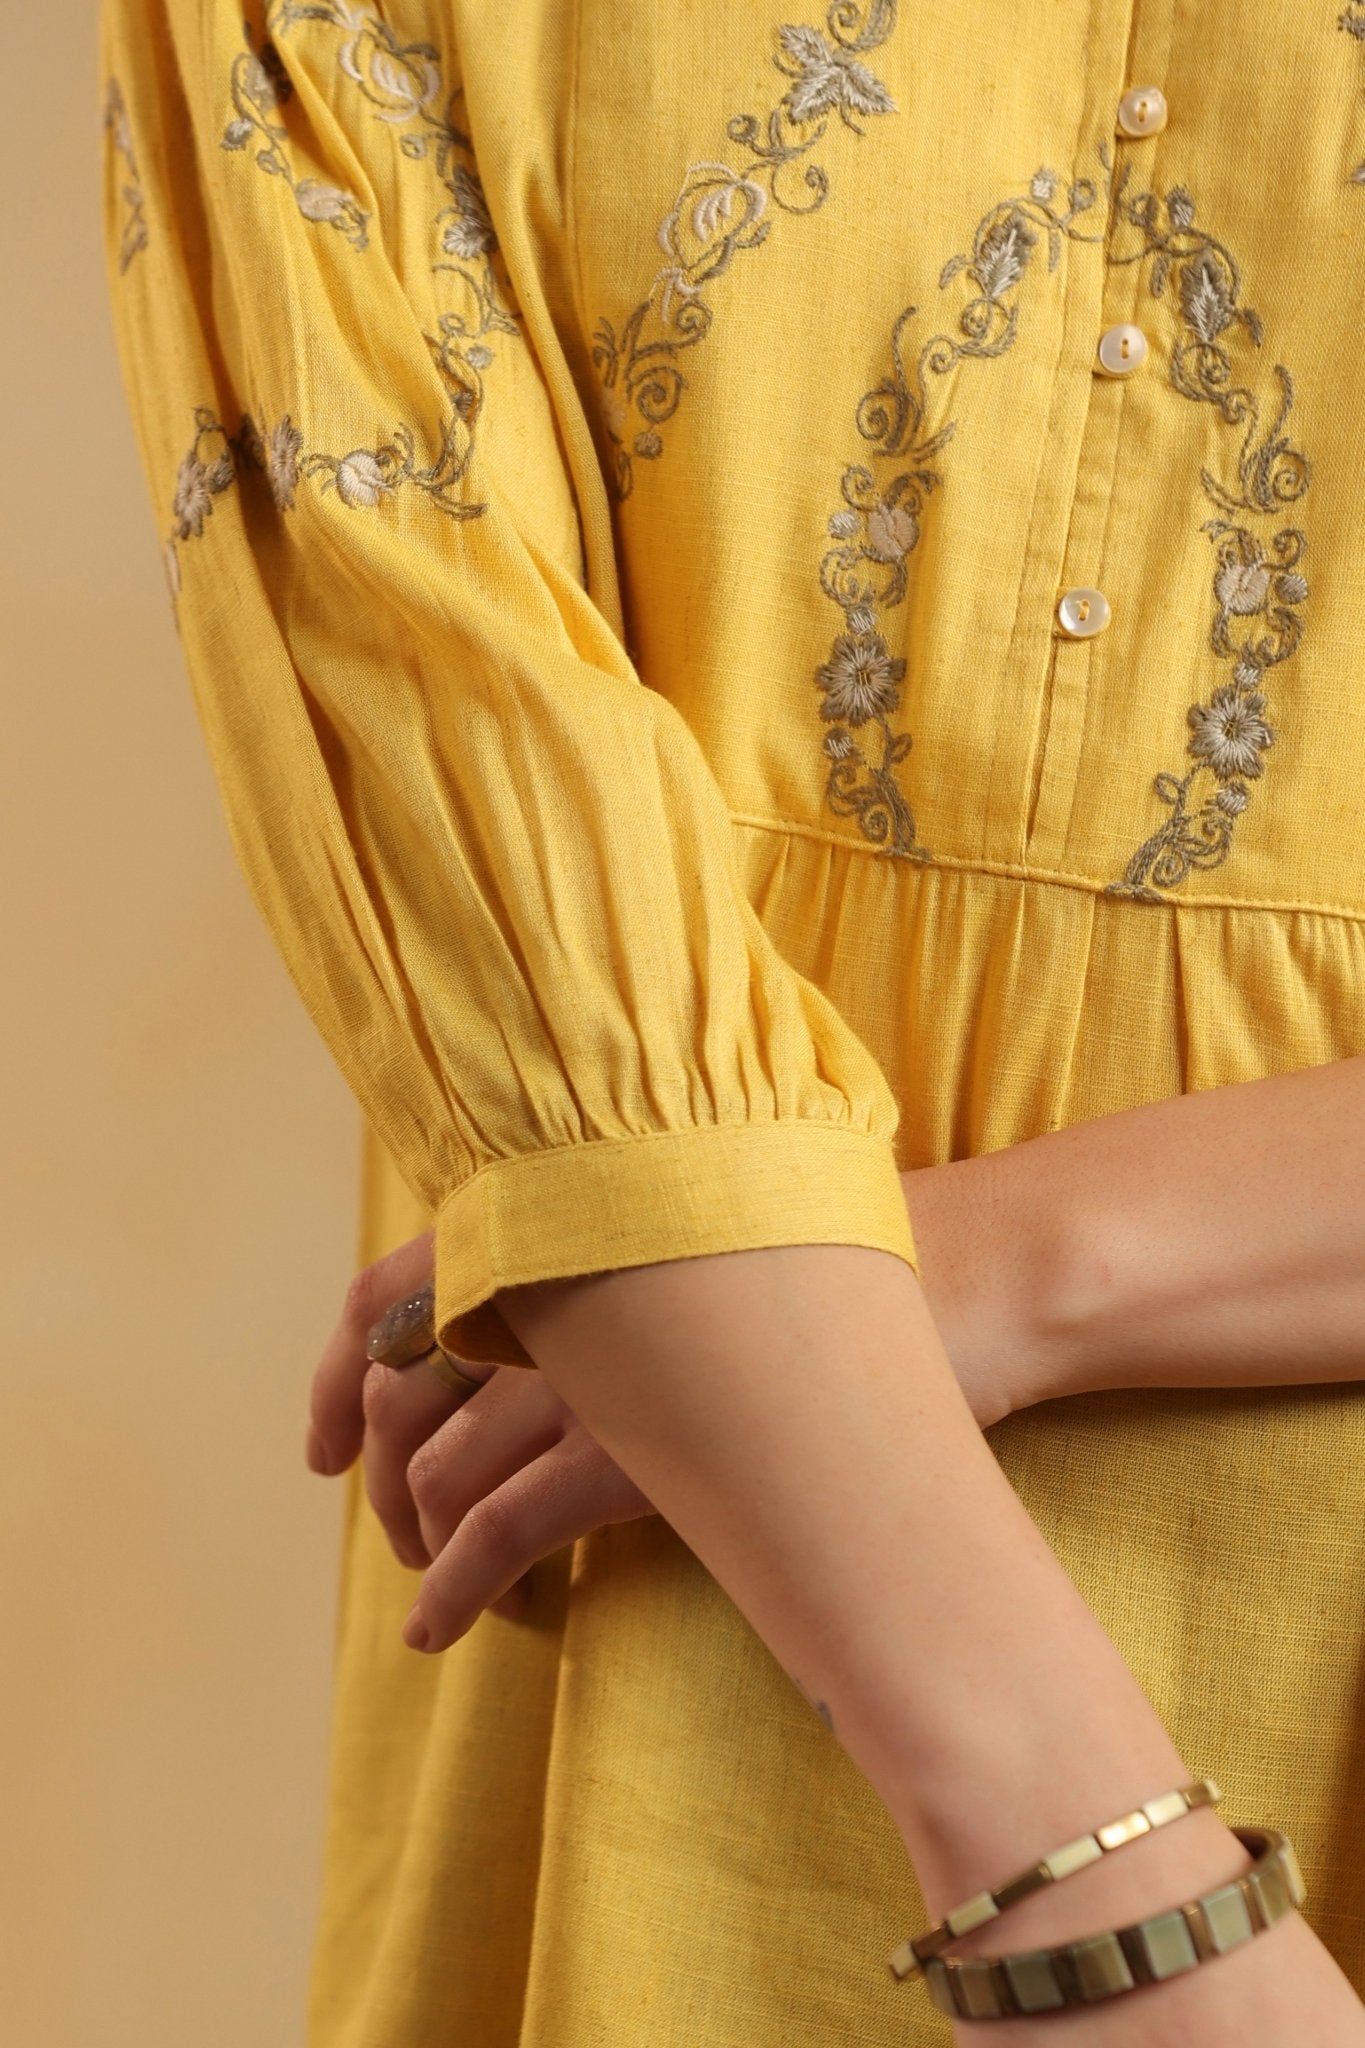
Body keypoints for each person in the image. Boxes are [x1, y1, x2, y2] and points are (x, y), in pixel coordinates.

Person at [99, 1, 1365, 2041]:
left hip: (695, 1390)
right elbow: (439, 739)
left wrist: (984, 1267)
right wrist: (1114, 1894)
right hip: (693, 1579)